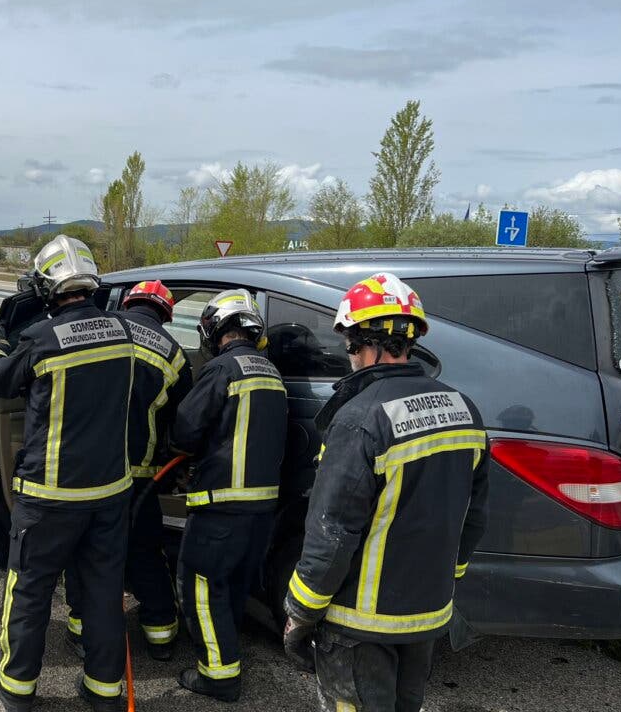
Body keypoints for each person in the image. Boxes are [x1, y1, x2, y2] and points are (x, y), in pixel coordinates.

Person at [282, 273, 489, 712]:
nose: (350, 355)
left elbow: (332, 531)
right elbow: (473, 517)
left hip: (361, 622)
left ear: (365, 343)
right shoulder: (464, 409)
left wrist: (300, 611)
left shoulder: (361, 417)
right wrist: (446, 582)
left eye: (351, 345)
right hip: (428, 613)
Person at [0, 235, 135, 712]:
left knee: (29, 589)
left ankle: (17, 688)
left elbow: (3, 380)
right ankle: (105, 691)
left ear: (48, 287)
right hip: (111, 492)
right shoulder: (124, 332)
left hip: (49, 495)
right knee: (103, 593)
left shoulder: (41, 340)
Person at [64, 279, 192, 662]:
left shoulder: (100, 330)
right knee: (146, 551)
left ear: (128, 302)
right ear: (166, 316)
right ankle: (161, 634)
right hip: (142, 475)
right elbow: (181, 421)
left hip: (93, 469)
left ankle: (83, 628)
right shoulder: (174, 355)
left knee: (87, 551)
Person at [171, 289, 288, 702]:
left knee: (201, 585)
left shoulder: (222, 369)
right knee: (233, 584)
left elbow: (185, 431)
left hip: (221, 504)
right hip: (262, 507)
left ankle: (218, 676)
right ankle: (228, 651)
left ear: (214, 329)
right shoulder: (270, 371)